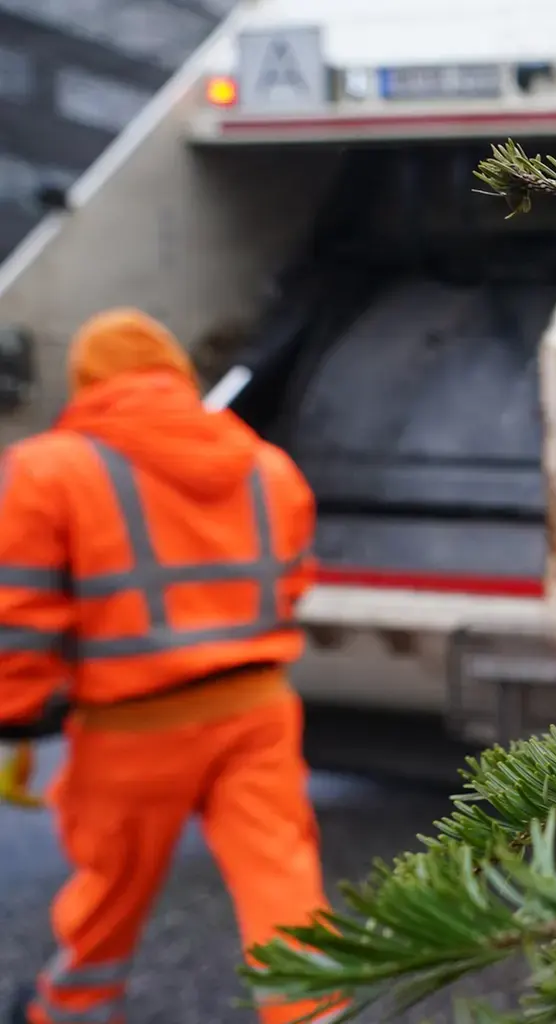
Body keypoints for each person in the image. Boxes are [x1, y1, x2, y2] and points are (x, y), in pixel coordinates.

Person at [0, 309, 342, 1024]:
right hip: (256, 711)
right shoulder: (266, 466)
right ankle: (311, 1014)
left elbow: (19, 613)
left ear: (87, 381)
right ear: (177, 375)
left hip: (134, 725)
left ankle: (73, 1010)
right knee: (280, 875)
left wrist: (16, 710)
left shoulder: (50, 469)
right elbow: (292, 578)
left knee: (112, 886)